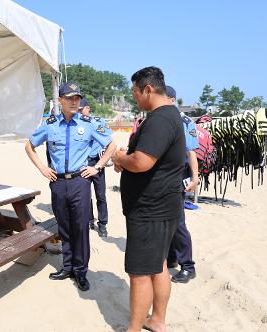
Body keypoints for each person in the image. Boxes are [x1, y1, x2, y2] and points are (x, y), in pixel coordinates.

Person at [112, 67, 185, 332]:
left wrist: (120, 158)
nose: (134, 97)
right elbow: (149, 159)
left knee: (141, 272)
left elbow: (142, 162)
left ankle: (134, 328)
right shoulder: (170, 115)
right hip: (164, 205)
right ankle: (157, 320)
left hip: (150, 209)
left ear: (148, 89)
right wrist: (127, 161)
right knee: (158, 265)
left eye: (134, 91)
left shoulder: (159, 119)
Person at [25, 82, 116, 291]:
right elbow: (29, 146)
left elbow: (111, 145)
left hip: (79, 182)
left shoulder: (88, 123)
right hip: (57, 182)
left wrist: (98, 167)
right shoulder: (50, 124)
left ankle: (81, 271)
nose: (75, 102)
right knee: (64, 226)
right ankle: (67, 267)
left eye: (77, 98)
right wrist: (42, 168)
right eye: (70, 98)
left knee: (81, 227)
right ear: (60, 101)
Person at [165, 86, 199, 283]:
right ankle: (172, 257)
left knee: (178, 222)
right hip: (165, 176)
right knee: (168, 220)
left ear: (171, 100)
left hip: (178, 175)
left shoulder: (184, 122)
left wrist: (195, 177)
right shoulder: (161, 118)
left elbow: (191, 152)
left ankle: (188, 266)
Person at [78, 99, 110, 238]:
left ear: (87, 108)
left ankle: (102, 224)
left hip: (97, 164)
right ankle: (90, 219)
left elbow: (108, 138)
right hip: (83, 164)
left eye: (81, 109)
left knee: (101, 195)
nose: (79, 112)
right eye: (77, 110)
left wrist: (102, 161)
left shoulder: (98, 122)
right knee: (86, 196)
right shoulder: (77, 123)